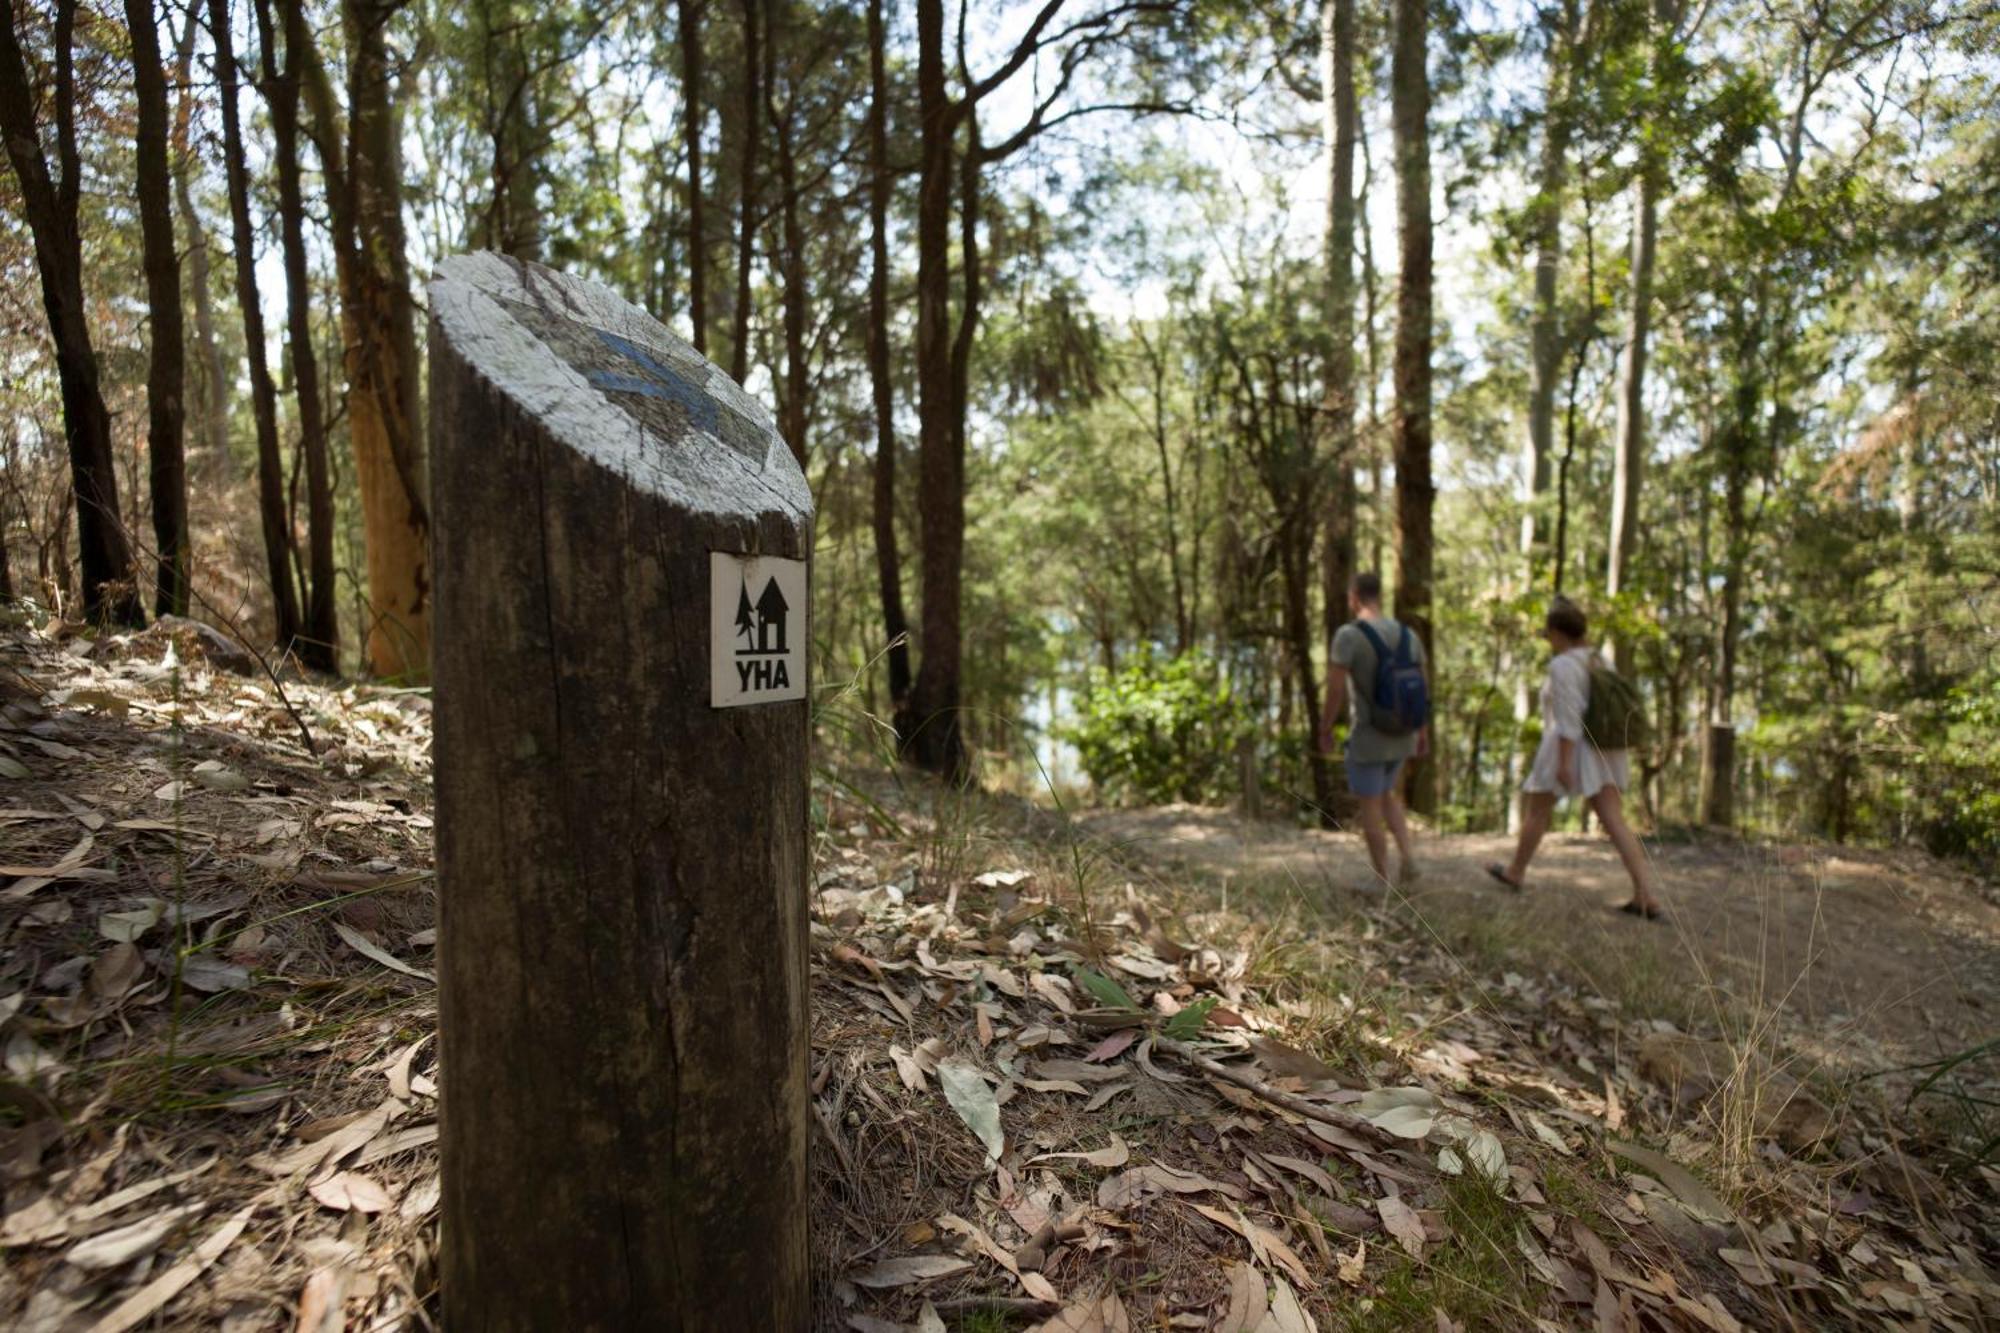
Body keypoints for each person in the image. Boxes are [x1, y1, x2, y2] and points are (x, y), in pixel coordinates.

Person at [1485, 598, 1662, 918]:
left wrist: (1565, 764)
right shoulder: (1600, 659)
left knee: (1537, 811)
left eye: (1549, 635)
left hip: (1571, 748)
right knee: (1614, 818)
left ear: (1556, 632)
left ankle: (1515, 871)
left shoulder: (1563, 665)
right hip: (1607, 750)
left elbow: (1569, 717)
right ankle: (1645, 894)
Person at [1319, 572, 1429, 887]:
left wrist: (1325, 728)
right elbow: (1423, 686)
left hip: (1369, 736)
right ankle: (1409, 861)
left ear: (1354, 596)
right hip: (1403, 734)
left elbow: (1335, 689)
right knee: (1387, 796)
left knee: (1370, 806)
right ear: (1378, 596)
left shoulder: (1348, 636)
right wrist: (1422, 732)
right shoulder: (1408, 634)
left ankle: (1381, 878)